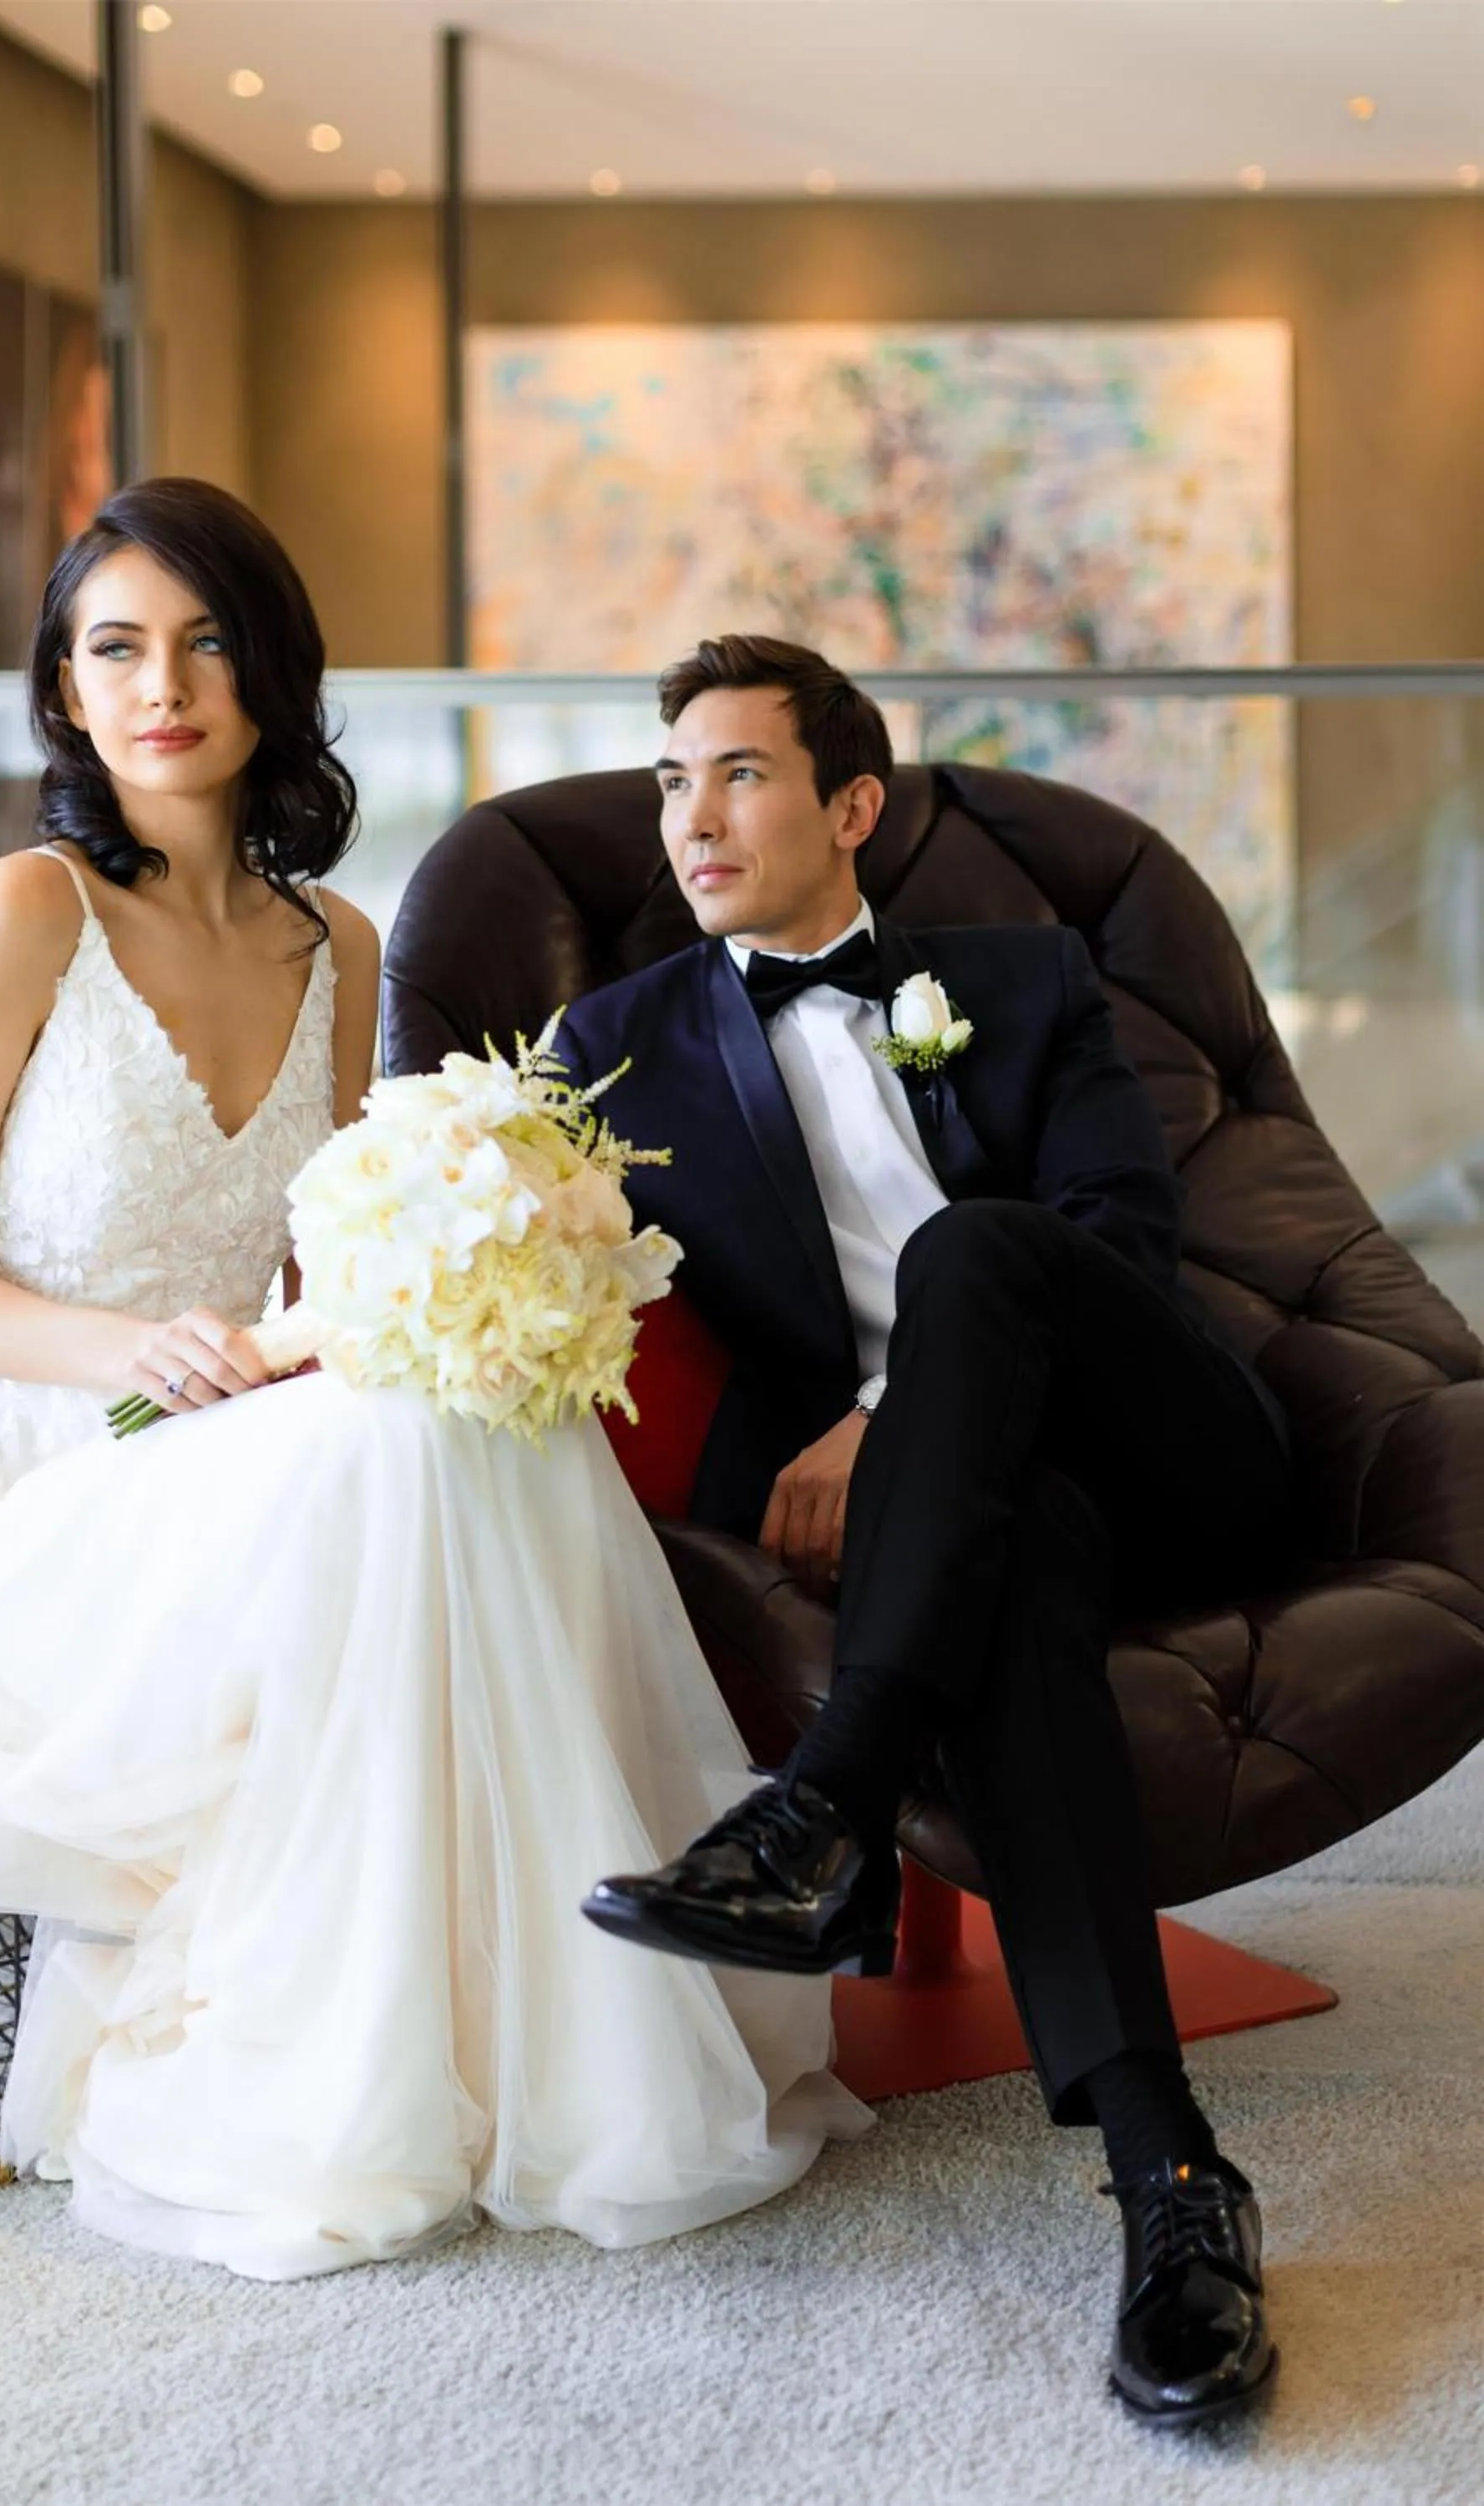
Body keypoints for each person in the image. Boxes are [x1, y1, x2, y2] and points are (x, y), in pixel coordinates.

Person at [0, 495, 865, 2278]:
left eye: (206, 642)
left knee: (471, 1413)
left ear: (271, 673)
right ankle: (370, 2075)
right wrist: (123, 1352)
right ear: (66, 693)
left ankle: (547, 2051)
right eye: (116, 649)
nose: (164, 687)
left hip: (243, 1433)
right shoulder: (25, 911)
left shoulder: (340, 947)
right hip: (29, 1473)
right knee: (402, 1452)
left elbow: (334, 1263)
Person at [564, 635, 1294, 2427]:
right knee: (1012, 1554)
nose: (693, 814)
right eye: (673, 779)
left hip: (1166, 1452)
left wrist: (886, 1415)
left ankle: (824, 1802)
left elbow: (1121, 1246)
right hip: (971, 1528)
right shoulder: (611, 1049)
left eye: (738, 772)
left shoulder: (1024, 978)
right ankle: (1169, 2182)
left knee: (971, 1247)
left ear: (853, 807)